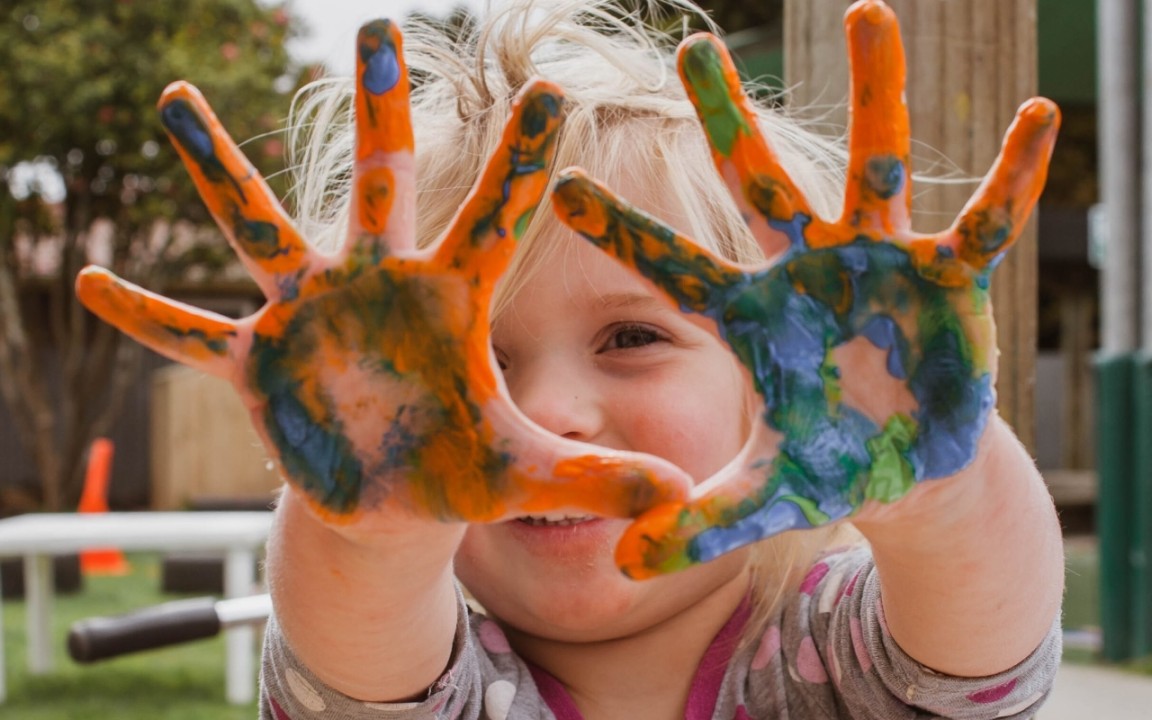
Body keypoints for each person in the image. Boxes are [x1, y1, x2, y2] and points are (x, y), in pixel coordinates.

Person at [76, 0, 1065, 717]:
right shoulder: (441, 685)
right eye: (469, 369)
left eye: (632, 337)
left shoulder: (838, 650)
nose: (550, 409)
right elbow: (354, 631)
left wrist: (942, 485)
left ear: (778, 380)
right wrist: (372, 534)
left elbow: (985, 625)